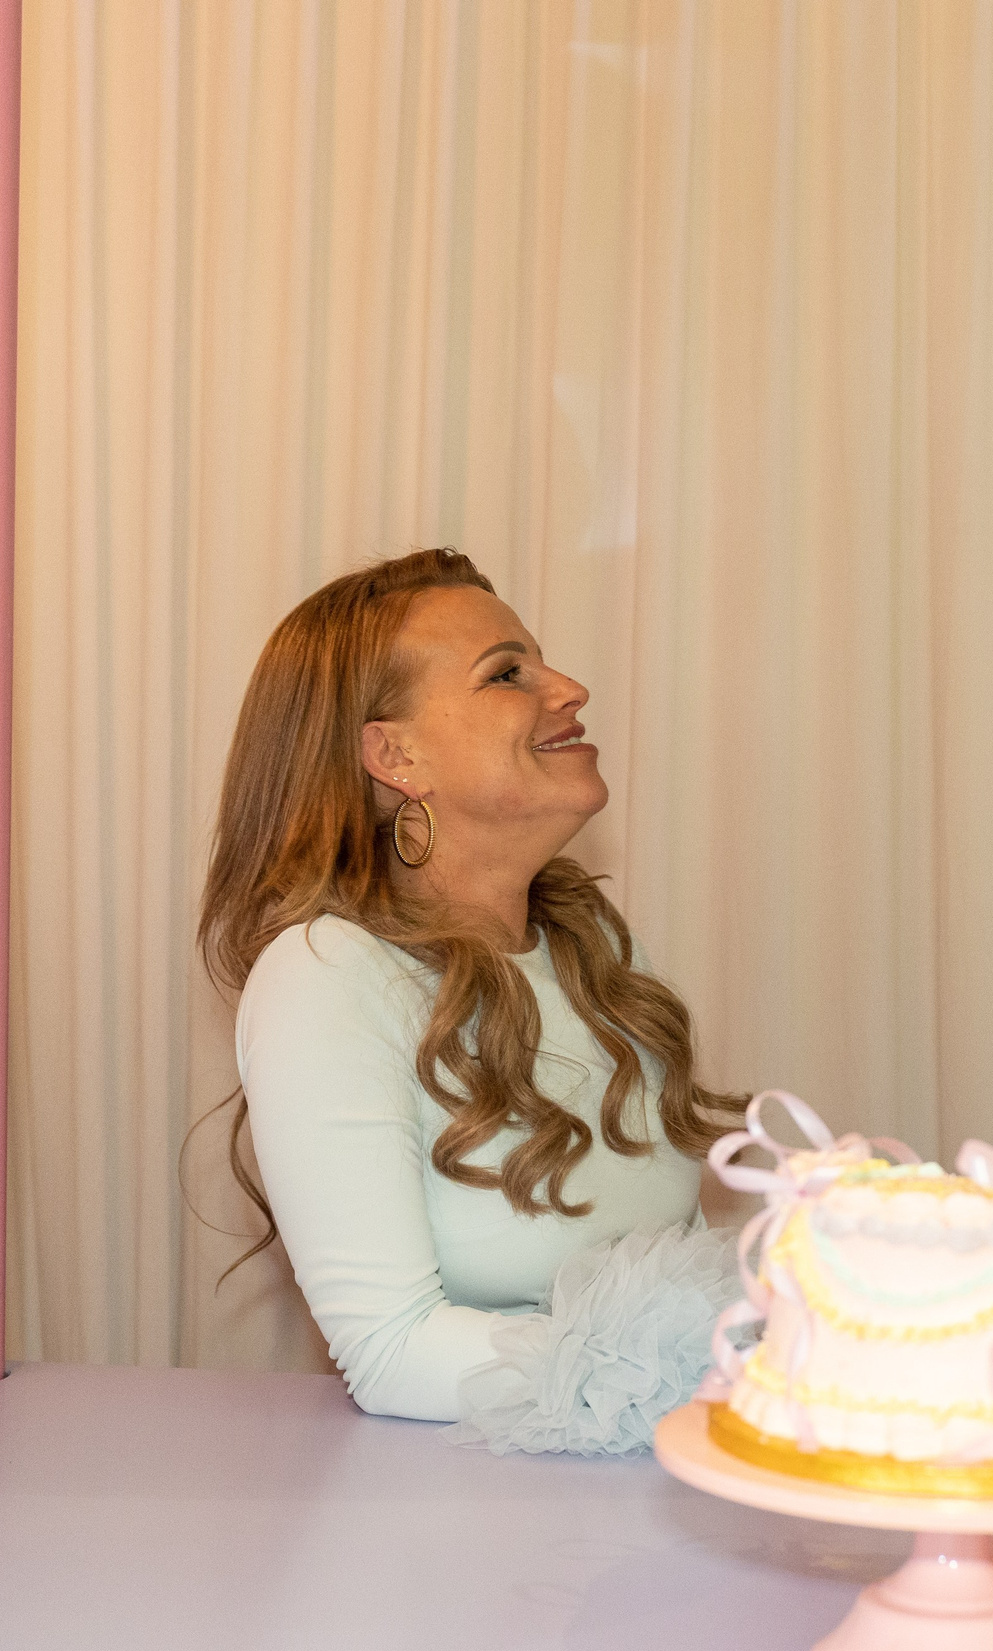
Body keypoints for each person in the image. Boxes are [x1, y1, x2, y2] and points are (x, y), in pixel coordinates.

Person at [196, 548, 746, 1450]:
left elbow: (665, 1279)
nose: (569, 688)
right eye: (508, 674)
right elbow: (391, 1351)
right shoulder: (327, 974)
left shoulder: (595, 947)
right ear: (394, 753)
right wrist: (722, 1375)